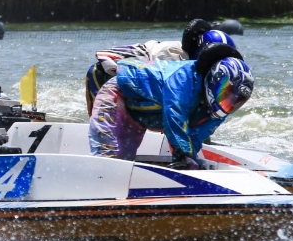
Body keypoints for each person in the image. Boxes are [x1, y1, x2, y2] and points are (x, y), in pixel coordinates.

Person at [88, 43, 253, 168]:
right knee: (109, 158)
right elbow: (174, 114)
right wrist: (182, 154)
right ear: (215, 79)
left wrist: (189, 161)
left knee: (124, 161)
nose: (230, 102)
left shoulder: (217, 112)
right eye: (226, 92)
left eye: (236, 100)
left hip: (140, 113)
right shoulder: (184, 77)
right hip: (118, 93)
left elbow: (195, 136)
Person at [83, 19, 237, 114]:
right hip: (104, 75)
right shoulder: (174, 59)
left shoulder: (191, 59)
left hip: (129, 78)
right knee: (108, 127)